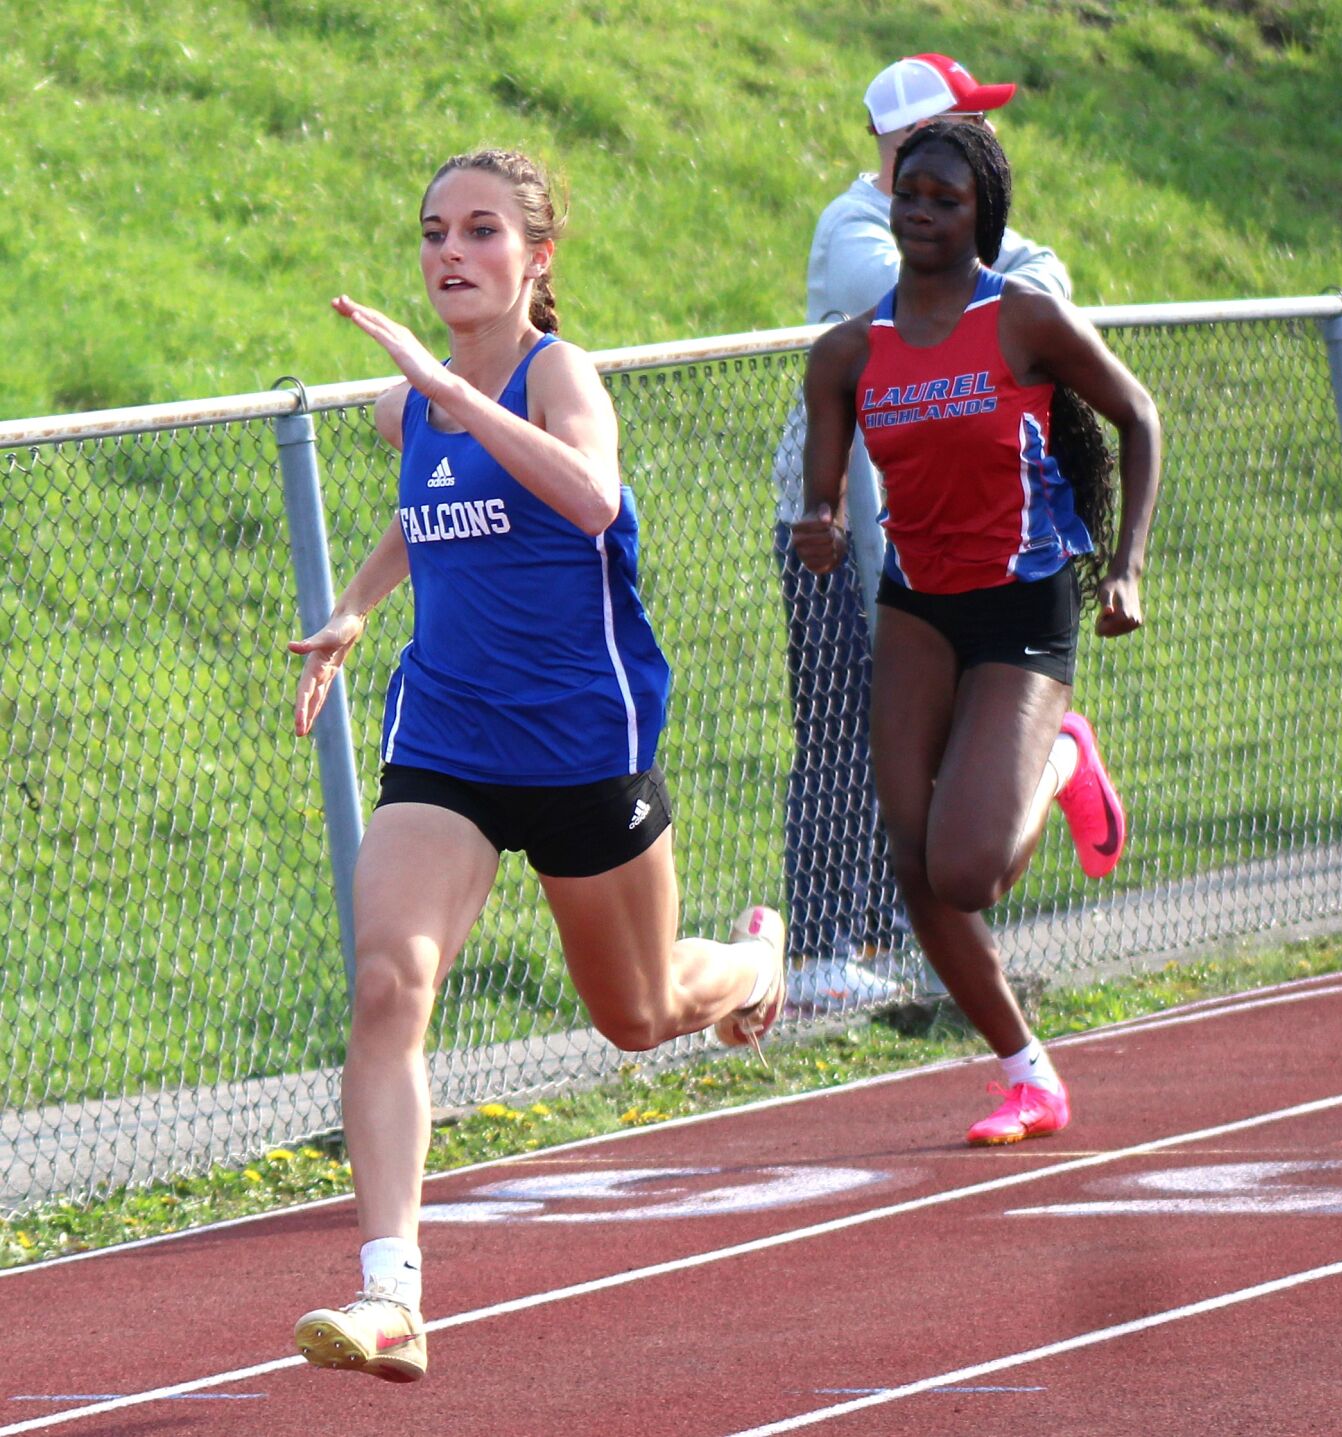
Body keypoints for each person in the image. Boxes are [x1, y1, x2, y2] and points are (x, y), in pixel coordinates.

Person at [287, 147, 786, 1383]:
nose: (449, 253)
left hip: (582, 748)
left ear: (536, 256)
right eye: (432, 232)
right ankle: (389, 1292)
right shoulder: (418, 406)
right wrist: (357, 604)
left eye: (481, 232)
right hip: (448, 740)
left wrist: (449, 393)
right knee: (389, 983)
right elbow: (432, 502)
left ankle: (756, 962)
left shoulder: (560, 374)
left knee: (640, 1015)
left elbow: (589, 498)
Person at [792, 118, 1161, 1145]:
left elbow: (1137, 415)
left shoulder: (1023, 321)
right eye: (910, 193)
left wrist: (1123, 567)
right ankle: (1027, 1073)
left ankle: (1061, 756)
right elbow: (823, 499)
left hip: (1020, 602)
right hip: (916, 607)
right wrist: (819, 528)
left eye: (945, 200)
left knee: (968, 871)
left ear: (980, 214)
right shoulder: (848, 352)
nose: (921, 213)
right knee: (914, 864)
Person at [771, 55, 1070, 1005]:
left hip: (928, 522)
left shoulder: (975, 233)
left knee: (927, 738)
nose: (987, 141)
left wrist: (1014, 278)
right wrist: (1011, 277)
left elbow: (1039, 291)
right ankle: (823, 946)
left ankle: (905, 934)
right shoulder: (853, 226)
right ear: (909, 141)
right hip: (829, 518)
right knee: (837, 725)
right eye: (964, 124)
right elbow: (952, 292)